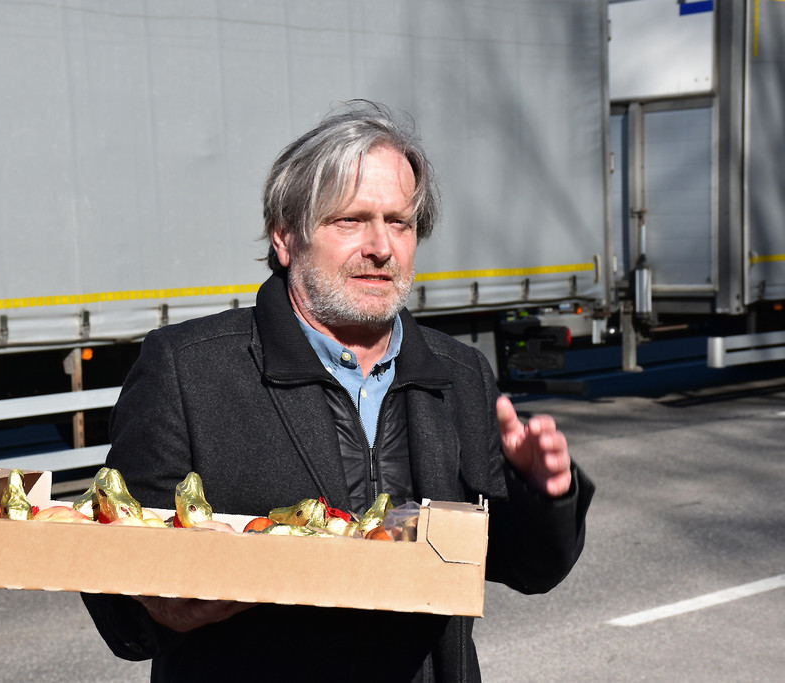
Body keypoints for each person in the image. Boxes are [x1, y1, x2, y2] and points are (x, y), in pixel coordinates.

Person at [81, 100, 594, 682]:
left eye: (399, 222)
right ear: (285, 237)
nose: (382, 246)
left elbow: (528, 568)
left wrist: (543, 494)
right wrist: (159, 608)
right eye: (350, 220)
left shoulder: (459, 373)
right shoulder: (189, 370)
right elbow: (114, 569)